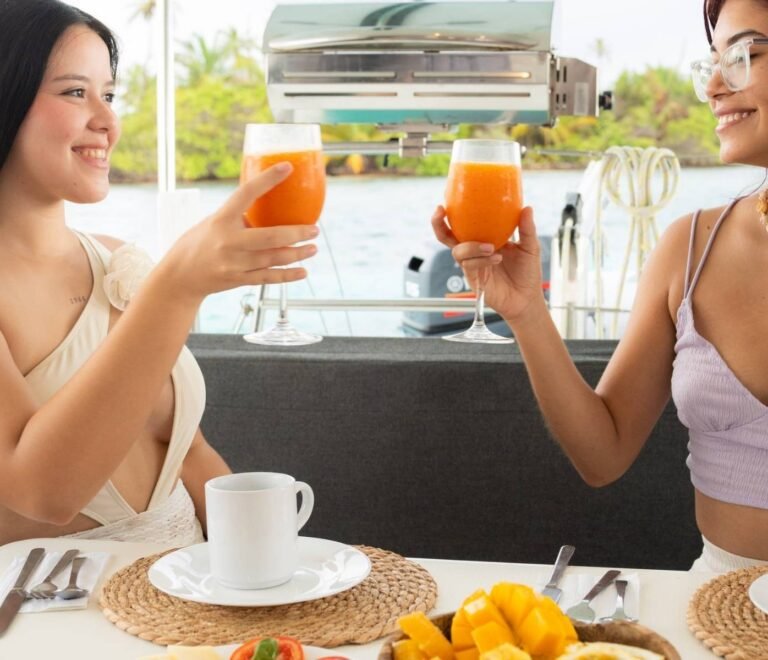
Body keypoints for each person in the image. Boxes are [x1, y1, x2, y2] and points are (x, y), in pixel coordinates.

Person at [432, 0, 768, 573]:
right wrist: (526, 311)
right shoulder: (688, 249)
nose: (713, 85)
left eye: (744, 54)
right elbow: (602, 454)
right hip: (717, 608)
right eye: (712, 61)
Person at [0, 0, 318, 546]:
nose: (107, 120)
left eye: (110, 94)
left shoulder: (116, 261)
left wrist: (271, 564)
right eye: (75, 92)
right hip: (52, 615)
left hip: (186, 594)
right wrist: (177, 287)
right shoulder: (160, 283)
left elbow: (185, 450)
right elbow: (42, 494)